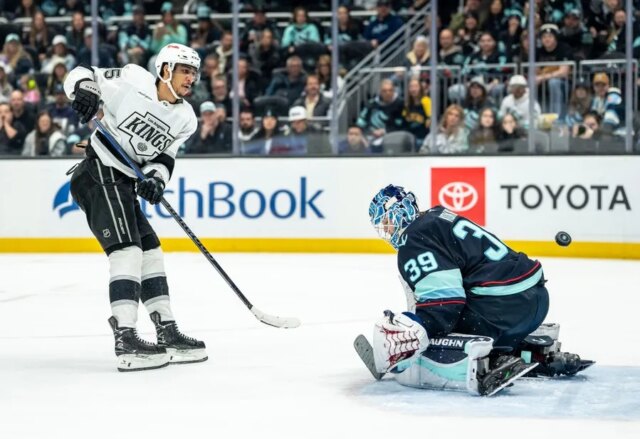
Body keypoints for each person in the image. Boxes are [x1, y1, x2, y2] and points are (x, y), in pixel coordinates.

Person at [365, 185, 593, 395]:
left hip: (502, 308)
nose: (386, 230)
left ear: (398, 213)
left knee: (431, 335)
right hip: (535, 299)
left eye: (385, 222)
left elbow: (444, 304)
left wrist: (416, 331)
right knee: (452, 316)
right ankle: (531, 353)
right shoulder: (437, 216)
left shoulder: (414, 239)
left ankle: (486, 364)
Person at [64, 43, 207, 372]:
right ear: (166, 70)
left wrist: (156, 179)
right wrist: (85, 89)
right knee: (127, 251)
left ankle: (166, 329)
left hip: (124, 183)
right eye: (185, 71)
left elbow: (165, 157)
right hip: (98, 171)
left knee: (151, 251)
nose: (191, 78)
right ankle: (126, 336)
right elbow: (83, 73)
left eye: (194, 73)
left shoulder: (186, 118)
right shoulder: (131, 79)